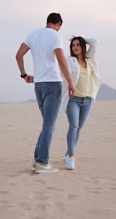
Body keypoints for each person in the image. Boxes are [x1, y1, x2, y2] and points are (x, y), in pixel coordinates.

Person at [15, 13, 75, 174]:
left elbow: (19, 55)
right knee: (49, 125)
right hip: (52, 84)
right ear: (58, 24)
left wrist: (23, 74)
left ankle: (36, 160)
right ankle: (42, 163)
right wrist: (70, 81)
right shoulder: (56, 35)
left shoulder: (33, 34)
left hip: (38, 85)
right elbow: (61, 59)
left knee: (47, 124)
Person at [60, 36, 101, 170]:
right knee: (74, 126)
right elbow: (61, 69)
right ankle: (71, 155)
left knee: (79, 128)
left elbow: (94, 42)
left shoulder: (89, 60)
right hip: (73, 99)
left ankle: (67, 152)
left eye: (78, 44)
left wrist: (80, 37)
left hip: (87, 100)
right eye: (73, 45)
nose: (75, 47)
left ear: (83, 46)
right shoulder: (70, 60)